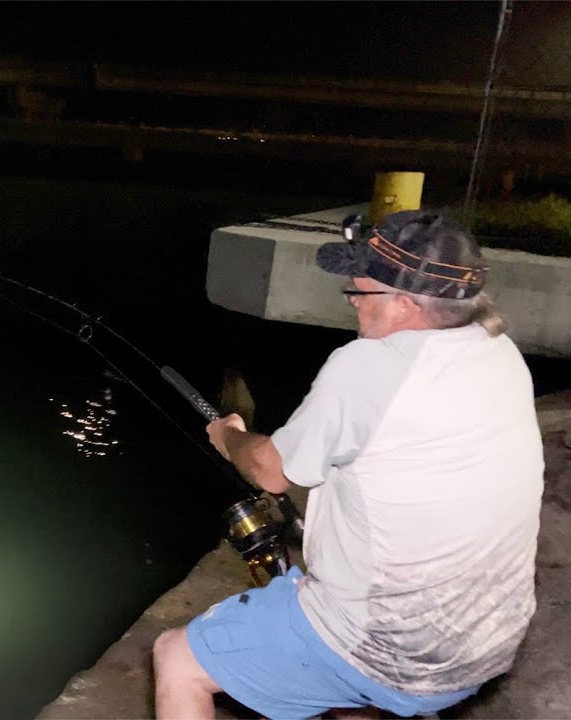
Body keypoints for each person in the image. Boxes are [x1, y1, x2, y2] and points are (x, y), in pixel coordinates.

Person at [152, 210, 544, 719]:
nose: (354, 302)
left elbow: (271, 471)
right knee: (344, 690)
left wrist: (229, 436)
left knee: (178, 658)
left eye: (362, 292)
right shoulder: (498, 352)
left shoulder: (367, 367)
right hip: (487, 641)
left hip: (393, 652)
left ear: (405, 304)